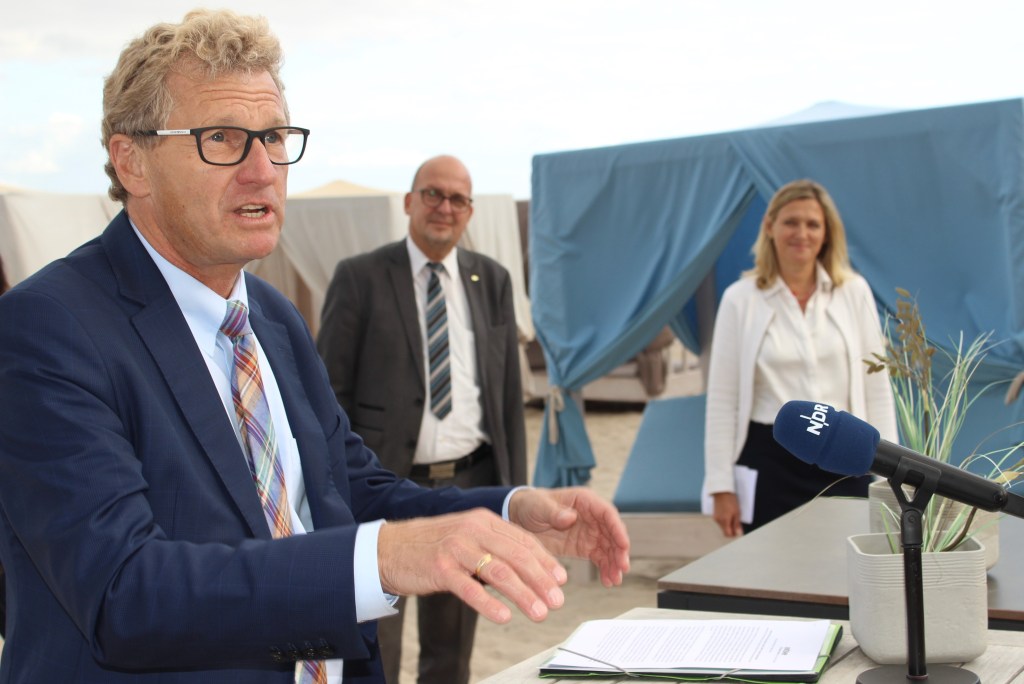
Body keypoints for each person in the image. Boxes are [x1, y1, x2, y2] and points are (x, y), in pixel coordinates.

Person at [0, 10, 630, 683]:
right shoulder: (49, 328)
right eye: (222, 139)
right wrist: (382, 559)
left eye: (274, 137)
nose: (261, 170)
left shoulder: (271, 317)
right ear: (133, 161)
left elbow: (346, 490)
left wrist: (506, 513)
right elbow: (123, 592)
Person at [317, 155, 526, 684]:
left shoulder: (492, 280)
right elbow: (327, 395)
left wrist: (513, 495)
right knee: (376, 643)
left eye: (457, 199)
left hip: (468, 487)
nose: (444, 208)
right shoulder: (360, 277)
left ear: (470, 211)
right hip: (385, 493)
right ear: (410, 202)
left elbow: (507, 398)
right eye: (433, 194)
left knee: (451, 648)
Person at [702, 179, 897, 537]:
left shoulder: (854, 291)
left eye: (813, 224)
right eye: (791, 222)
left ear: (827, 233)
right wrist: (720, 486)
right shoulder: (739, 299)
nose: (801, 233)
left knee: (847, 563)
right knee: (774, 567)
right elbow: (722, 400)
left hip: (844, 455)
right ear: (769, 226)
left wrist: (889, 473)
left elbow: (877, 388)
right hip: (770, 461)